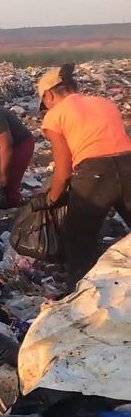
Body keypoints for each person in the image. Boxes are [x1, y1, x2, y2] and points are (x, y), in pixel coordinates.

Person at [37, 63, 131, 284]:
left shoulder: (55, 115)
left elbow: (63, 168)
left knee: (79, 241)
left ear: (49, 95)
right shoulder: (104, 102)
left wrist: (52, 198)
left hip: (94, 175)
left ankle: (78, 292)